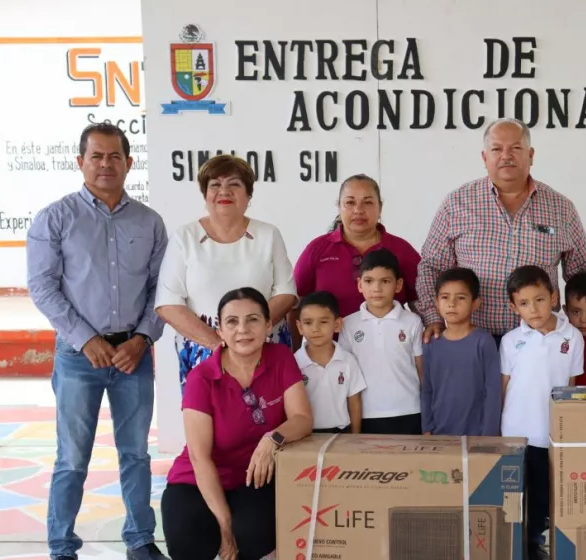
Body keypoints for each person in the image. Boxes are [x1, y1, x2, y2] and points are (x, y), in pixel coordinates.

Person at [26, 122, 174, 560]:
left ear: (129, 163)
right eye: (96, 156)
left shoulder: (149, 222)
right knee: (72, 459)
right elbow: (43, 287)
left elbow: (161, 290)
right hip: (77, 357)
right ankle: (62, 552)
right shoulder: (55, 219)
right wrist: (85, 339)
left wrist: (143, 339)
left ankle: (139, 539)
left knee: (135, 454)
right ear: (80, 162)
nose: (106, 164)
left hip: (133, 355)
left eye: (115, 156)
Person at [161, 288, 313, 560]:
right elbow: (201, 458)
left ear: (268, 325)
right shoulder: (202, 378)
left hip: (255, 474)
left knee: (259, 529)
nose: (242, 329)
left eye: (252, 320)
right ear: (220, 330)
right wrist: (225, 526)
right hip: (201, 476)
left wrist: (272, 438)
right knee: (185, 538)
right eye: (232, 322)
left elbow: (301, 418)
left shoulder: (281, 358)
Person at [418, 118, 586, 345]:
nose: (506, 155)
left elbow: (585, 271)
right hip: (471, 339)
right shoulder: (457, 203)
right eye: (497, 149)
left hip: (540, 341)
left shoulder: (560, 208)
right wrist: (433, 317)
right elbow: (431, 266)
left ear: (531, 155)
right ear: (484, 157)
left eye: (516, 148)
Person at [155, 155, 297, 391]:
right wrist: (222, 343)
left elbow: (286, 293)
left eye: (234, 184)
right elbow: (168, 304)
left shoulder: (268, 234)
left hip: (264, 348)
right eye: (215, 185)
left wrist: (250, 333)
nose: (224, 191)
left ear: (248, 195)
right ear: (205, 194)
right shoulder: (185, 237)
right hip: (205, 352)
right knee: (210, 426)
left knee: (273, 423)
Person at [500, 265, 584, 560]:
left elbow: (572, 386)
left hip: (555, 437)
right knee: (517, 501)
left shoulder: (571, 336)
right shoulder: (510, 341)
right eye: (524, 303)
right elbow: (503, 387)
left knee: (550, 503)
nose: (533, 309)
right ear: (513, 306)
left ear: (554, 297)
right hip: (517, 435)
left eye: (539, 300)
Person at [293, 174, 420, 322]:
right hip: (330, 344)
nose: (358, 210)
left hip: (390, 343)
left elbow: (421, 300)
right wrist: (298, 345)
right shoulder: (317, 249)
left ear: (380, 207)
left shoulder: (401, 250)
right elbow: (295, 302)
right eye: (350, 202)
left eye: (367, 203)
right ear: (339, 206)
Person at [339, 249, 424, 434]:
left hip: (410, 410)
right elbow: (345, 373)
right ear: (359, 285)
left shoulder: (412, 321)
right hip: (366, 413)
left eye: (385, 281)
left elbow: (421, 370)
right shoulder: (348, 324)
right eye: (369, 281)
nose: (376, 288)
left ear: (398, 284)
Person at [421, 268, 502, 436]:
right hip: (439, 433)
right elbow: (426, 388)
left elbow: (493, 392)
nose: (452, 303)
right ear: (436, 302)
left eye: (461, 298)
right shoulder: (431, 343)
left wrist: (488, 435)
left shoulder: (483, 341)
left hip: (477, 434)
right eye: (445, 297)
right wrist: (426, 427)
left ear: (475, 303)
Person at [294, 291, 366, 434]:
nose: (315, 328)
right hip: (305, 435)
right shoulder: (294, 363)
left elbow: (354, 402)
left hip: (342, 434)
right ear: (300, 327)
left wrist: (355, 437)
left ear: (337, 324)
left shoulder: (348, 361)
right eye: (308, 323)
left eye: (323, 322)